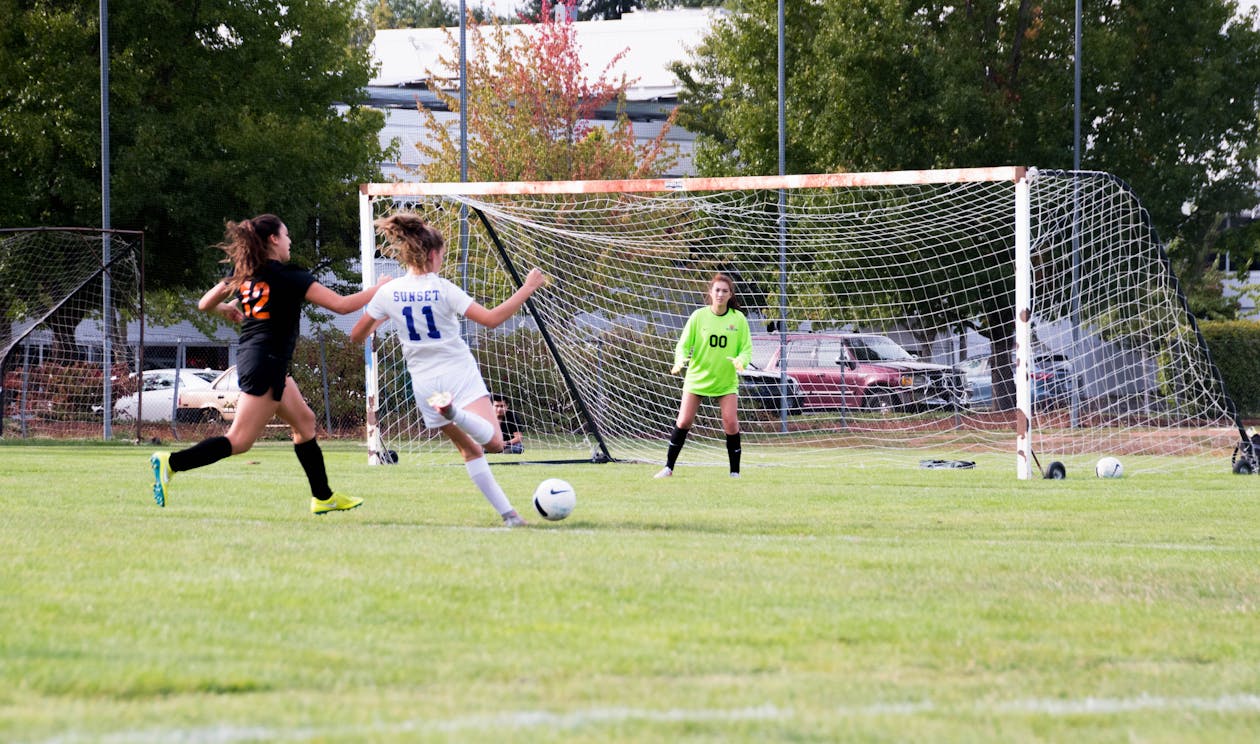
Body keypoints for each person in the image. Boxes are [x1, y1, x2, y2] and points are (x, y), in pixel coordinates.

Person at [149, 214, 388, 515]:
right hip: (266, 361)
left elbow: (204, 303)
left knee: (305, 422)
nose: (290, 242)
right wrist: (381, 288)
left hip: (261, 359)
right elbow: (342, 306)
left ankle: (323, 496)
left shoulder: (246, 273)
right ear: (274, 239)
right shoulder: (290, 276)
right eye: (286, 235)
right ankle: (171, 463)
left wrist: (225, 309)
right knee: (239, 441)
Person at [350, 213, 546, 527]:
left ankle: (510, 516)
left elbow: (357, 335)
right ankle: (454, 412)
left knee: (470, 451)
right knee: (494, 443)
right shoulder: (443, 288)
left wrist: (384, 315)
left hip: (425, 383)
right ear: (432, 254)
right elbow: (492, 319)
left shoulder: (389, 292)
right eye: (442, 254)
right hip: (458, 371)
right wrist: (528, 288)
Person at [655, 272, 753, 479]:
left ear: (730, 295)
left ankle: (734, 473)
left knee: (731, 423)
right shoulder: (698, 317)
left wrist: (741, 361)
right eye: (717, 290)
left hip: (725, 381)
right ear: (710, 292)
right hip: (697, 378)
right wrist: (679, 360)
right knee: (683, 421)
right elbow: (683, 344)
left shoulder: (738, 319)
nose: (720, 294)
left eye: (724, 291)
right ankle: (668, 468)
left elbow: (746, 349)